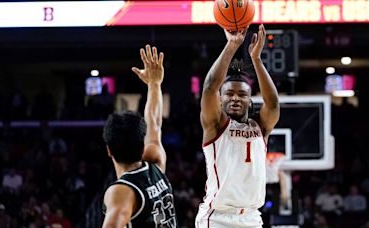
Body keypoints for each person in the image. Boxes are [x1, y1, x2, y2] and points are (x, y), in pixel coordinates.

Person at [196, 24, 280, 227]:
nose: (235, 98)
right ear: (221, 99)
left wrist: (257, 60)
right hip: (217, 217)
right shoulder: (215, 125)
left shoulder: (260, 126)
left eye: (242, 94)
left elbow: (273, 104)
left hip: (251, 217)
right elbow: (209, 88)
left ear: (250, 101)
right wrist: (232, 45)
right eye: (229, 94)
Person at [102, 45, 177, 227]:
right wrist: (154, 84)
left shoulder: (122, 191)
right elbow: (154, 122)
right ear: (142, 147)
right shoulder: (156, 164)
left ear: (109, 150)